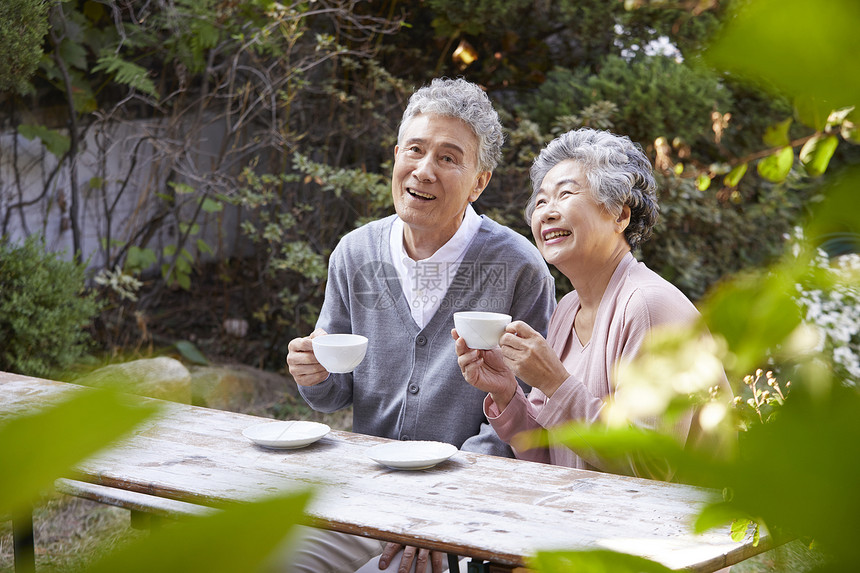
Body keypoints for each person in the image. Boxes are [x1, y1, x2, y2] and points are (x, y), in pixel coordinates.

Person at [284, 78, 556, 573]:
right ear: (395, 156)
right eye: (415, 150)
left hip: (465, 511)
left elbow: (524, 415)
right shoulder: (355, 254)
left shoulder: (519, 268)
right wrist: (315, 374)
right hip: (362, 496)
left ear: (479, 181)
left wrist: (439, 513)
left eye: (449, 158)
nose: (424, 170)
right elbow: (335, 394)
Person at [453, 127, 730, 477]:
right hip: (588, 520)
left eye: (565, 194)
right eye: (541, 201)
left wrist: (556, 382)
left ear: (619, 215)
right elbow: (550, 454)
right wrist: (507, 392)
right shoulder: (568, 309)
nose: (547, 212)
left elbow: (651, 465)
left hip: (674, 527)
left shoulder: (649, 306)